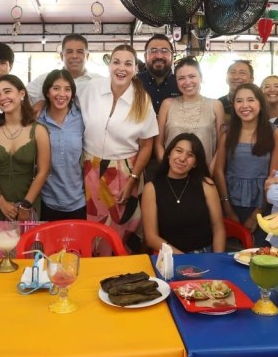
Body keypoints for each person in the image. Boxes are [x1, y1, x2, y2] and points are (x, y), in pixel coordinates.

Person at [79, 44, 158, 250]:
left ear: (135, 69)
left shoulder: (142, 100)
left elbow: (147, 146)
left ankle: (121, 267)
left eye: (128, 63)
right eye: (116, 62)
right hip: (90, 167)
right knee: (91, 226)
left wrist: (133, 179)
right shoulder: (92, 88)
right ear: (109, 65)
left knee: (121, 229)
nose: (121, 68)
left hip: (124, 171)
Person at [0, 75, 51, 254]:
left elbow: (43, 171)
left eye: (7, 91)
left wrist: (26, 205)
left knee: (27, 257)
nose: (3, 97)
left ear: (22, 94)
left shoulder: (38, 130)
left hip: (28, 206)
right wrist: (0, 201)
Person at [213, 84, 278, 244]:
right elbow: (218, 171)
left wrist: (257, 213)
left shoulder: (274, 132)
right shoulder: (227, 133)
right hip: (230, 202)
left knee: (260, 250)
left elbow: (274, 176)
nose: (244, 105)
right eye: (239, 101)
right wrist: (227, 207)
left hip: (263, 204)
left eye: (250, 100)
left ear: (260, 104)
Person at [141, 133, 225, 254]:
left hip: (206, 254)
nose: (182, 158)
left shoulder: (207, 185)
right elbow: (151, 238)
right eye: (179, 151)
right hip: (172, 256)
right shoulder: (151, 189)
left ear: (195, 163)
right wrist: (184, 259)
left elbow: (218, 228)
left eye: (190, 155)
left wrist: (217, 259)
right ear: (169, 154)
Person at [36, 69, 86, 221]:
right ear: (47, 92)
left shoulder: (82, 118)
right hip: (47, 201)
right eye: (56, 88)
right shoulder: (37, 120)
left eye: (67, 89)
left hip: (78, 200)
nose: (62, 94)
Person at [156, 57, 225, 165]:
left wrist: (210, 171)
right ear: (176, 81)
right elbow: (158, 144)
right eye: (181, 78)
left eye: (192, 76)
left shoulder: (215, 105)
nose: (187, 82)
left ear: (200, 78)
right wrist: (166, 167)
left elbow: (221, 145)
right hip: (171, 171)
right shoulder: (167, 104)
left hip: (205, 171)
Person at [27, 34, 95, 103]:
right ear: (62, 56)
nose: (74, 56)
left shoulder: (97, 82)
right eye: (69, 52)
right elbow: (23, 96)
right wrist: (40, 104)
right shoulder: (43, 80)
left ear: (87, 56)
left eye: (80, 52)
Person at [138, 34, 180, 114]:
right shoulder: (134, 83)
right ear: (145, 56)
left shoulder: (181, 83)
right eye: (153, 51)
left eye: (164, 51)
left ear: (172, 56)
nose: (159, 56)